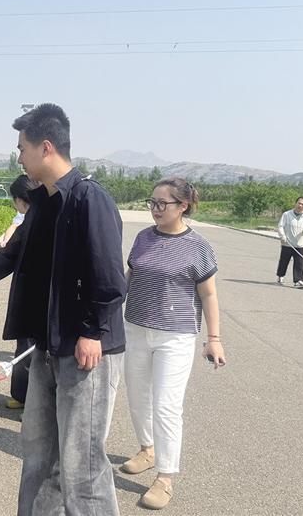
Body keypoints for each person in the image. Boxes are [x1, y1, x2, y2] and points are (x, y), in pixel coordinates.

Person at [0, 103, 126, 516]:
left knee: (82, 465)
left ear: (45, 147)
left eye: (21, 148)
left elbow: (110, 277)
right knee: (39, 452)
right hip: (47, 346)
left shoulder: (89, 200)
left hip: (85, 349)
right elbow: (10, 256)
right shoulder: (43, 203)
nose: (18, 157)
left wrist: (92, 331)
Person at [120, 178, 226, 510]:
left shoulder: (198, 246)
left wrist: (214, 339)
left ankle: (165, 477)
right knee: (137, 397)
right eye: (151, 202)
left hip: (175, 336)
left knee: (166, 405)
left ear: (183, 206)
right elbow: (131, 277)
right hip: (136, 328)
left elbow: (208, 294)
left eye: (162, 204)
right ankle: (147, 449)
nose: (155, 209)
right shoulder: (143, 237)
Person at [0, 174, 37, 410]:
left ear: (19, 200)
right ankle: (23, 397)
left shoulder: (36, 222)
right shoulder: (33, 217)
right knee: (26, 346)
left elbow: (3, 258)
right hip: (30, 294)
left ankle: (30, 401)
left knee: (30, 349)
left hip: (33, 296)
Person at [276, 196, 303, 289]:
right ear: (295, 203)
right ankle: (280, 275)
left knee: (299, 263)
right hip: (287, 243)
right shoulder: (287, 214)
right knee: (284, 261)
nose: (300, 205)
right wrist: (282, 236)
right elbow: (280, 226)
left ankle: (298, 281)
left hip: (299, 244)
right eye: (299, 203)